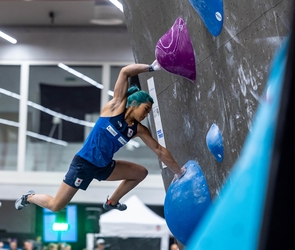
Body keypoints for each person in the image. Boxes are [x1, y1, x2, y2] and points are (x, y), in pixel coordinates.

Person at [15, 62, 185, 213]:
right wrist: (151, 68)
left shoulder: (138, 129)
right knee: (55, 206)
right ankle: (29, 197)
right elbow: (125, 72)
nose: (146, 114)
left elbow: (159, 150)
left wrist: (179, 172)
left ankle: (112, 202)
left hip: (104, 167)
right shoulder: (115, 107)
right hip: (83, 165)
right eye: (146, 109)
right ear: (134, 103)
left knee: (140, 173)